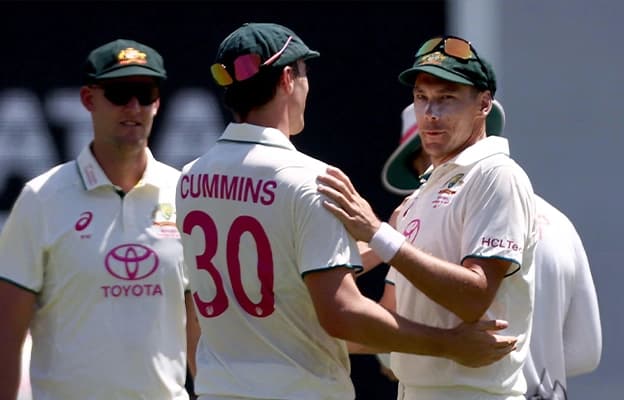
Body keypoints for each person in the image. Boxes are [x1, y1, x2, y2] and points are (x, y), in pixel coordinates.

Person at [175, 23, 518, 400]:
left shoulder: (189, 179)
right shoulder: (310, 180)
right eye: (305, 75)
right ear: (289, 78)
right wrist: (449, 343)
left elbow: (277, 278)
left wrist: (383, 238)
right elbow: (341, 313)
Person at [318, 35, 538, 399]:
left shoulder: (498, 174)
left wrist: (378, 234)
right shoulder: (422, 193)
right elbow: (390, 316)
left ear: (484, 104)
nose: (431, 114)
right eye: (422, 98)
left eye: (447, 98)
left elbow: (473, 297)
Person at [0, 38, 198, 399]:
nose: (134, 106)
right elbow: (6, 335)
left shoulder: (185, 193)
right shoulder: (40, 199)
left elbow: (200, 332)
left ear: (158, 101)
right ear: (89, 100)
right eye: (120, 93)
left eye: (145, 92)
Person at [380, 100, 602, 399]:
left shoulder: (420, 228)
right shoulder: (561, 224)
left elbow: (386, 329)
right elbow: (587, 352)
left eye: (420, 167)